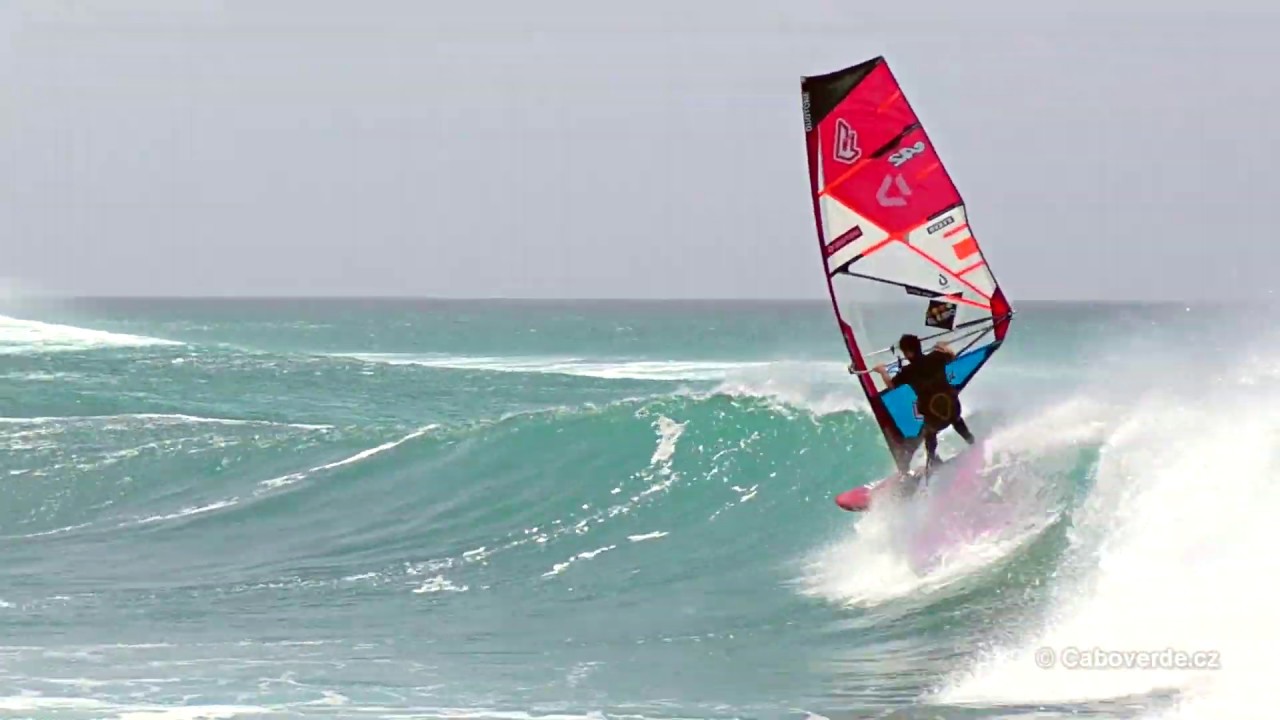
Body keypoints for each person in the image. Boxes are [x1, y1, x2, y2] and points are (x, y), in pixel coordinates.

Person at [872, 333, 974, 472]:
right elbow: (953, 358)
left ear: (908, 352)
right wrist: (943, 347)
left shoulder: (907, 372)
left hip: (935, 419)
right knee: (955, 419)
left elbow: (892, 387)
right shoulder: (937, 357)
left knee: (929, 431)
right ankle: (972, 442)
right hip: (953, 409)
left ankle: (931, 461)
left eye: (904, 352)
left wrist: (883, 371)